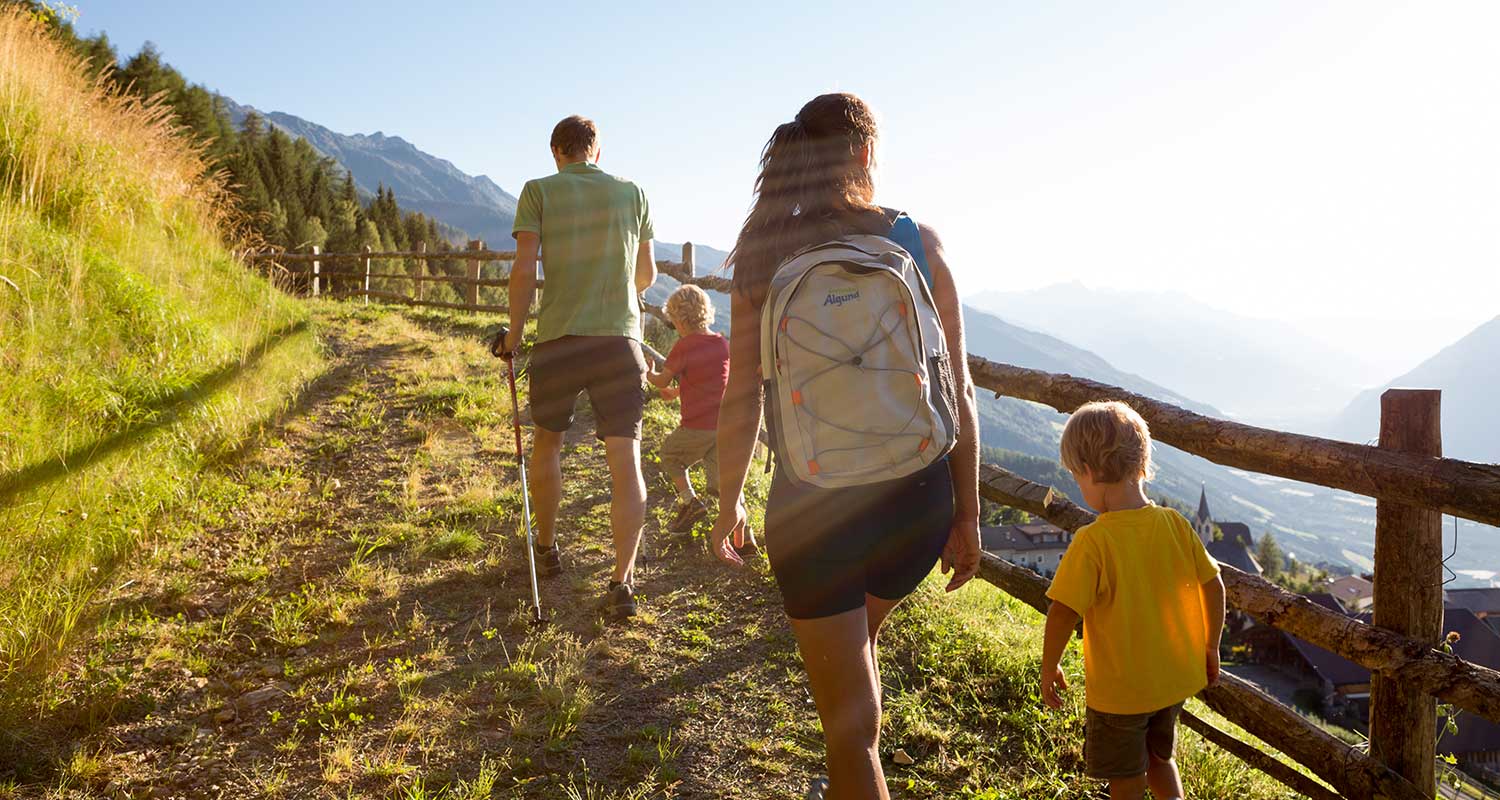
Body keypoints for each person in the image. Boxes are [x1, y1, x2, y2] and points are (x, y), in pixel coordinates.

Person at [709, 93, 983, 800]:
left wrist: (728, 500)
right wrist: (968, 513)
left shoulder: (768, 251)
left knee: (847, 725)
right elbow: (959, 387)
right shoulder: (917, 241)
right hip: (917, 499)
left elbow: (741, 395)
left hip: (812, 506)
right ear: (864, 154)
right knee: (857, 662)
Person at [498, 114, 657, 620]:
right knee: (625, 458)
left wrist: (515, 337)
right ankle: (622, 581)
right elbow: (647, 275)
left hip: (559, 340)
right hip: (619, 341)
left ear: (556, 153)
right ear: (597, 151)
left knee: (548, 443)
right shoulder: (633, 193)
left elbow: (524, 270)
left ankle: (546, 548)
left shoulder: (538, 191)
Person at [1039, 401, 1227, 800]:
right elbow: (1215, 585)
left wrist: (1050, 664)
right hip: (1171, 681)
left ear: (1090, 471)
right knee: (1160, 759)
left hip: (1121, 694)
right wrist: (1210, 645)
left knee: (1125, 778)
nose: (1079, 485)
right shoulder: (1174, 523)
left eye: (1077, 477)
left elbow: (1062, 612)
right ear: (1140, 464)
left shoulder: (1094, 541)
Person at [644, 285, 744, 548]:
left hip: (696, 427)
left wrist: (649, 373)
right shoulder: (722, 343)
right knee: (719, 485)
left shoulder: (684, 345)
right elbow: (711, 381)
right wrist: (678, 392)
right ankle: (743, 539)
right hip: (722, 427)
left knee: (669, 456)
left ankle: (690, 502)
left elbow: (660, 380)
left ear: (680, 319)